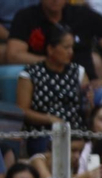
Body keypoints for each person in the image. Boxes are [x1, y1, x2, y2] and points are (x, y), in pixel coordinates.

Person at [16, 23, 86, 154]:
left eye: (72, 47)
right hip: (43, 133)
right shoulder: (30, 74)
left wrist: (89, 102)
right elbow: (22, 110)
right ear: (50, 49)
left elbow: (86, 111)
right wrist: (50, 119)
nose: (71, 52)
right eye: (66, 47)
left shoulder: (78, 72)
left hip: (75, 132)